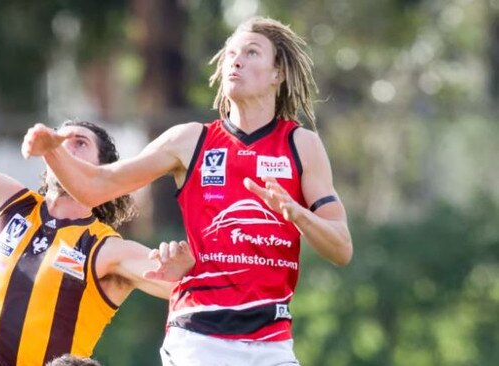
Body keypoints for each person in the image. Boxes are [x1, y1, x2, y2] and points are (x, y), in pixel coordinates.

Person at [22, 16, 353, 366]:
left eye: (252, 52)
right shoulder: (190, 140)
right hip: (200, 338)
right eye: (230, 54)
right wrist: (51, 151)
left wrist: (296, 212)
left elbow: (342, 248)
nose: (235, 61)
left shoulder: (301, 145)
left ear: (278, 74)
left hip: (271, 343)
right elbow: (96, 187)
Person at [0, 120, 194, 366]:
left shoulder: (106, 249)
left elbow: (203, 288)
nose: (62, 147)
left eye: (79, 143)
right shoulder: (9, 203)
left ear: (102, 171)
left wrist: (184, 267)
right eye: (58, 139)